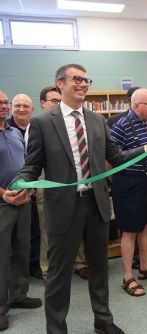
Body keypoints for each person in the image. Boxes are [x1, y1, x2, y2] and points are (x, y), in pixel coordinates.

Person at [3, 64, 147, 333]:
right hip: (62, 207)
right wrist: (20, 183)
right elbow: (32, 165)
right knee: (58, 275)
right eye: (76, 79)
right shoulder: (43, 123)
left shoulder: (96, 120)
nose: (82, 84)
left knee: (99, 269)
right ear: (60, 83)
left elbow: (116, 157)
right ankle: (56, 329)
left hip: (97, 205)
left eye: (86, 80)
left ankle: (103, 321)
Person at [110, 88, 147, 296]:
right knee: (130, 230)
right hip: (131, 185)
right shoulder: (120, 126)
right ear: (136, 106)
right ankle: (128, 277)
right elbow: (114, 157)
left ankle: (144, 267)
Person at [34, 87, 89, 280]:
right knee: (49, 230)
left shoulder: (71, 123)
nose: (58, 104)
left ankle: (80, 263)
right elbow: (32, 161)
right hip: (48, 187)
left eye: (60, 100)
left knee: (79, 225)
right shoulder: (39, 124)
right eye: (54, 101)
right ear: (43, 103)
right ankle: (48, 269)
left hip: (76, 186)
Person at [0, 91, 42, 332]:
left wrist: (29, 189)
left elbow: (27, 165)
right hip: (2, 205)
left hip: (23, 201)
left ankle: (18, 295)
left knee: (21, 250)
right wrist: (4, 194)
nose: (4, 106)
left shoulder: (15, 132)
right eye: (1, 103)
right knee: (1, 256)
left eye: (6, 102)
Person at [7, 94, 43, 280]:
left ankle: (33, 264)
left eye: (25, 106)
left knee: (33, 229)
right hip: (7, 193)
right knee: (10, 237)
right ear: (12, 107)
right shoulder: (6, 129)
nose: (21, 109)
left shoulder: (37, 126)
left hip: (31, 189)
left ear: (32, 109)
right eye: (17, 105)